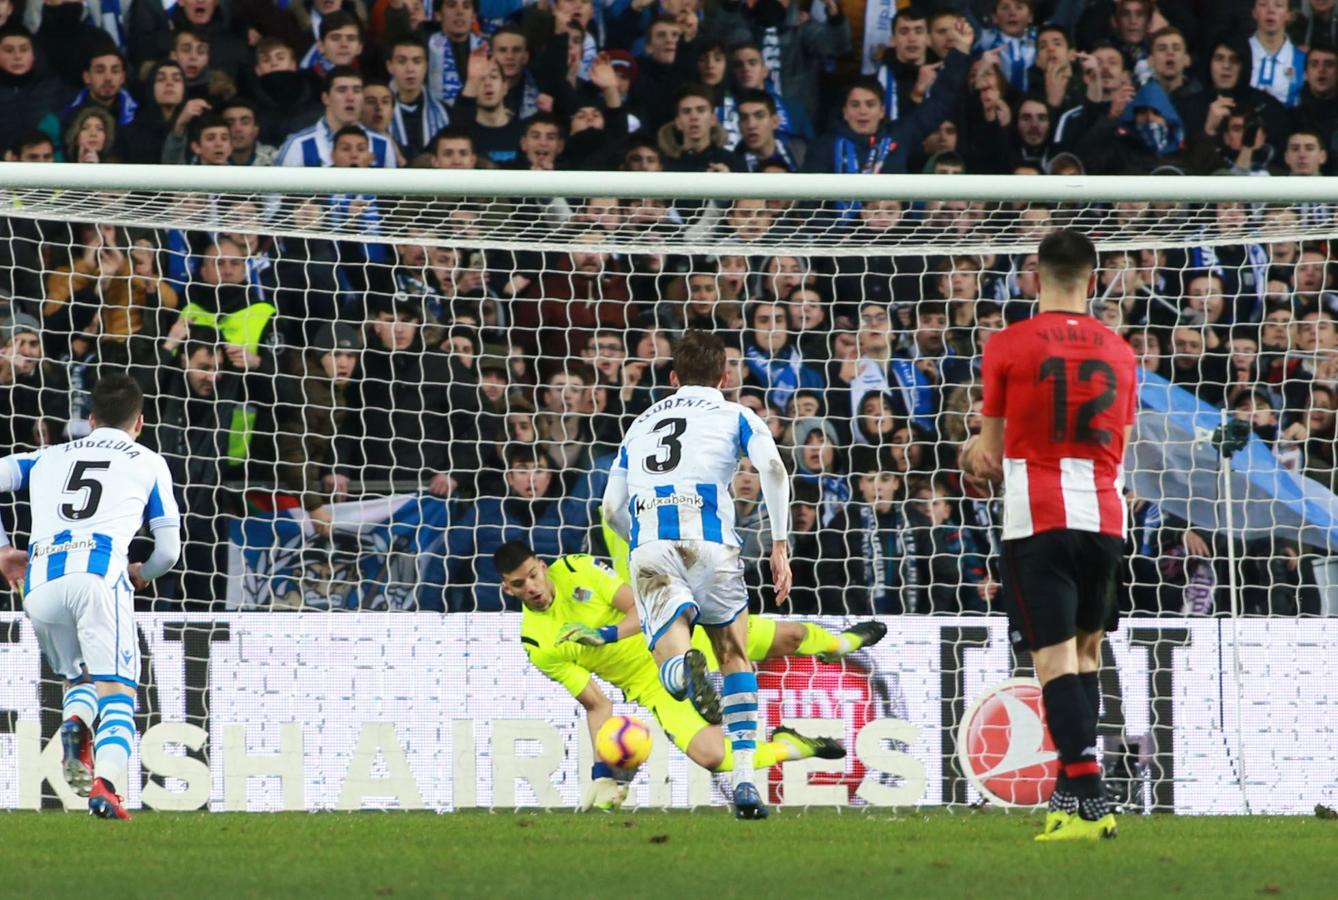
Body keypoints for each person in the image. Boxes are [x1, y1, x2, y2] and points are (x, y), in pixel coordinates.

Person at [963, 228, 1137, 842]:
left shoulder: (1007, 344)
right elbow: (1117, 438)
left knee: (1053, 660)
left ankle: (1089, 793)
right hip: (1106, 519)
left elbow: (987, 456)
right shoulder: (1120, 351)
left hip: (1037, 516)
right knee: (1088, 654)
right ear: (1093, 279)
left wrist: (972, 453)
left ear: (1035, 277)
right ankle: (1069, 800)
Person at [497, 543, 880, 809]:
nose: (531, 588)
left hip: (679, 634)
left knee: (791, 638)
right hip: (649, 685)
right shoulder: (537, 641)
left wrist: (606, 635)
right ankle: (796, 746)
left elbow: (639, 607)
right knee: (713, 757)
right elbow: (597, 703)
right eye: (519, 584)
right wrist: (605, 772)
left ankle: (840, 644)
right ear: (507, 588)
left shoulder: (576, 569)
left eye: (532, 575)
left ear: (542, 566)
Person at [602, 329, 792, 820]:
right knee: (734, 656)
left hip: (651, 544)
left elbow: (610, 508)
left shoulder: (639, 424)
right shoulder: (736, 413)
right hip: (713, 545)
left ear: (672, 377)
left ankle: (679, 668)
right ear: (725, 376)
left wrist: (641, 542)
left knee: (671, 651)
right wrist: (779, 544)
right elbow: (771, 468)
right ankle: (747, 779)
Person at [0, 374, 181, 820]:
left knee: (79, 678)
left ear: (90, 419)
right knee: (118, 692)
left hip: (40, 585)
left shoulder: (46, 456)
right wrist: (141, 572)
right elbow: (169, 552)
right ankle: (107, 787)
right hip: (99, 577)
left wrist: (4, 550)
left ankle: (75, 723)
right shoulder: (148, 460)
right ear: (140, 422)